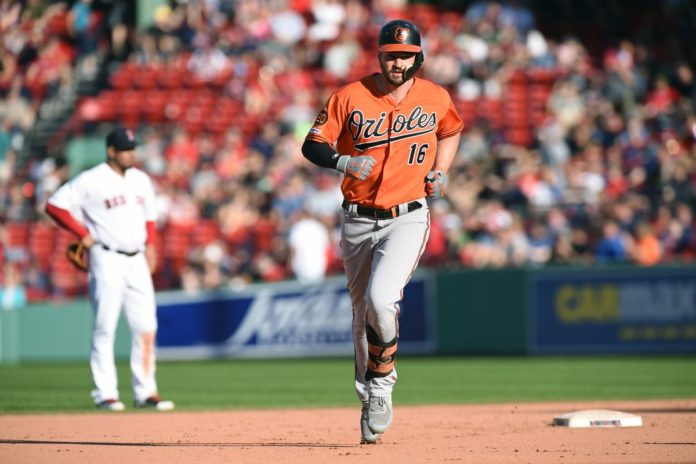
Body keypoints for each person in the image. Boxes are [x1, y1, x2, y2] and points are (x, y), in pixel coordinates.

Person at [301, 19, 463, 444]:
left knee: (380, 298)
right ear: (380, 55)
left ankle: (382, 383)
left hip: (408, 215)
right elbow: (312, 143)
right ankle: (367, 394)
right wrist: (343, 162)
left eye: (406, 55)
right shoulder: (350, 96)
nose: (398, 62)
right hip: (357, 217)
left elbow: (451, 129)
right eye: (391, 54)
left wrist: (441, 171)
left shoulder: (434, 96)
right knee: (360, 317)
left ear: (419, 57)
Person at [45, 127, 174, 412]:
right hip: (106, 257)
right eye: (125, 148)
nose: (131, 153)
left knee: (146, 326)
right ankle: (105, 393)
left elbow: (149, 218)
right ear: (111, 151)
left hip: (137, 257)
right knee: (105, 325)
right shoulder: (92, 179)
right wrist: (82, 234)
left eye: (133, 147)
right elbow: (54, 206)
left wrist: (151, 246)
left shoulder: (141, 180)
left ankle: (146, 391)